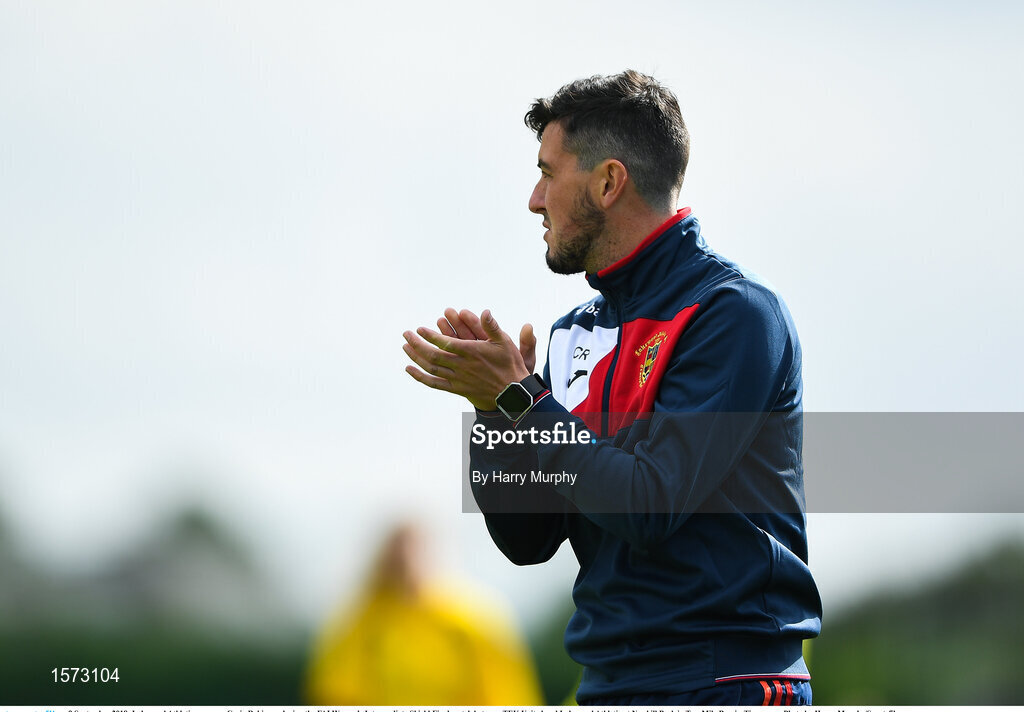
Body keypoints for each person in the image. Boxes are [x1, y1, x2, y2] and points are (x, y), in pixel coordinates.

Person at [402, 70, 822, 706]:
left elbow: (647, 505)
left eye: (548, 172)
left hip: (725, 682)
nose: (534, 199)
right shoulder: (574, 333)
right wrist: (496, 415)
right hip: (607, 684)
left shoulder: (733, 315)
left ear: (607, 182)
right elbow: (528, 539)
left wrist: (523, 401)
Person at [303, 521, 543, 705]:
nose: (405, 565)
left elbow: (506, 695)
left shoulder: (474, 621)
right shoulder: (358, 622)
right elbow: (334, 691)